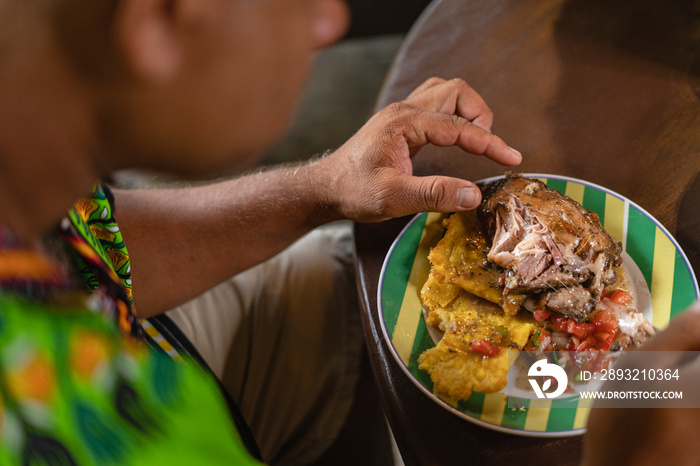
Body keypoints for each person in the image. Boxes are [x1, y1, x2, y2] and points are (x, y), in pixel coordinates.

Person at [0, 0, 522, 464]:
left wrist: (327, 185)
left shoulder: (31, 191)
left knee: (346, 272)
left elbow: (97, 238)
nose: (329, 21)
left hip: (138, 326)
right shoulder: (112, 437)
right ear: (159, 18)